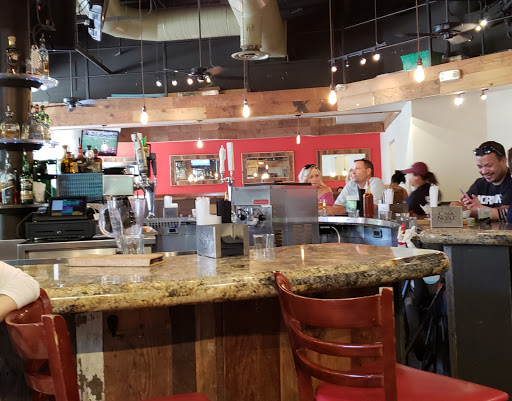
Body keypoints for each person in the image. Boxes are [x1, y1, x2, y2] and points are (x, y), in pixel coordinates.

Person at [452, 141, 512, 221]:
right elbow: (459, 205)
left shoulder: (509, 182)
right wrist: (457, 206)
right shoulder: (479, 184)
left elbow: (507, 214)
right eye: (480, 167)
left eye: (489, 165)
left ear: (503, 161)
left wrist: (478, 210)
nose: (484, 171)